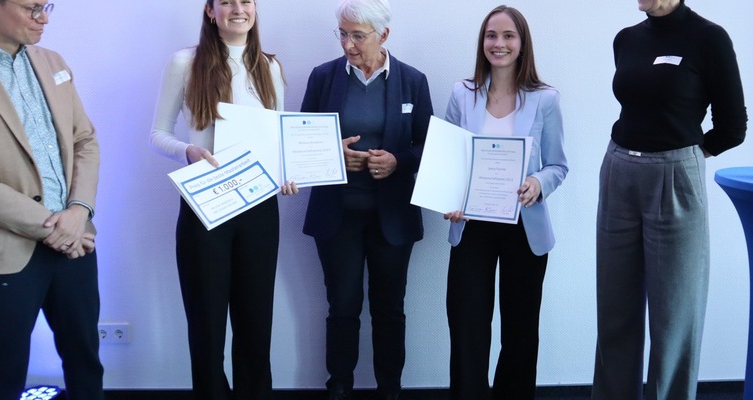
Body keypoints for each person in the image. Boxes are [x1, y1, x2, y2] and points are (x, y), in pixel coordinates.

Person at [591, 0, 747, 399]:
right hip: (619, 170)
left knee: (675, 315)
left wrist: (685, 158)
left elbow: (733, 126)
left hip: (675, 176)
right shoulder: (626, 39)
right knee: (615, 310)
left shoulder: (709, 38)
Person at [0, 0, 103, 399]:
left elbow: (84, 140)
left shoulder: (52, 61)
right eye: (32, 7)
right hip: (2, 249)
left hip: (76, 243)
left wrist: (78, 212)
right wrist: (55, 226)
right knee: (0, 377)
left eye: (47, 6)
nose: (44, 18)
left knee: (86, 363)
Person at [149, 0, 296, 398]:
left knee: (255, 321)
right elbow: (158, 133)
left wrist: (287, 174)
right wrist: (188, 152)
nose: (237, 9)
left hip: (259, 207)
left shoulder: (271, 67)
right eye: (226, 2)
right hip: (205, 207)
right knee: (207, 323)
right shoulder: (185, 62)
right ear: (210, 11)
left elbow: (279, 137)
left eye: (245, 1)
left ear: (254, 9)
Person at [299, 0, 432, 399]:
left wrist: (398, 161)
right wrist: (332, 154)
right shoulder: (323, 78)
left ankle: (390, 387)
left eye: (358, 35)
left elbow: (428, 147)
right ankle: (339, 385)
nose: (348, 44)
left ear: (384, 35)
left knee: (390, 307)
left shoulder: (412, 80)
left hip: (392, 217)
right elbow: (301, 143)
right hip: (337, 216)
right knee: (342, 305)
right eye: (342, 33)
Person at [442, 5, 568, 400]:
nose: (499, 44)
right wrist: (448, 197)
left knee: (520, 331)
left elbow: (559, 166)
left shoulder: (545, 99)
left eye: (508, 36)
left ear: (522, 43)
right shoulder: (463, 94)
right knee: (467, 328)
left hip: (524, 228)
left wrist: (537, 181)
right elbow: (447, 161)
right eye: (491, 36)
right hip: (472, 225)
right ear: (482, 43)